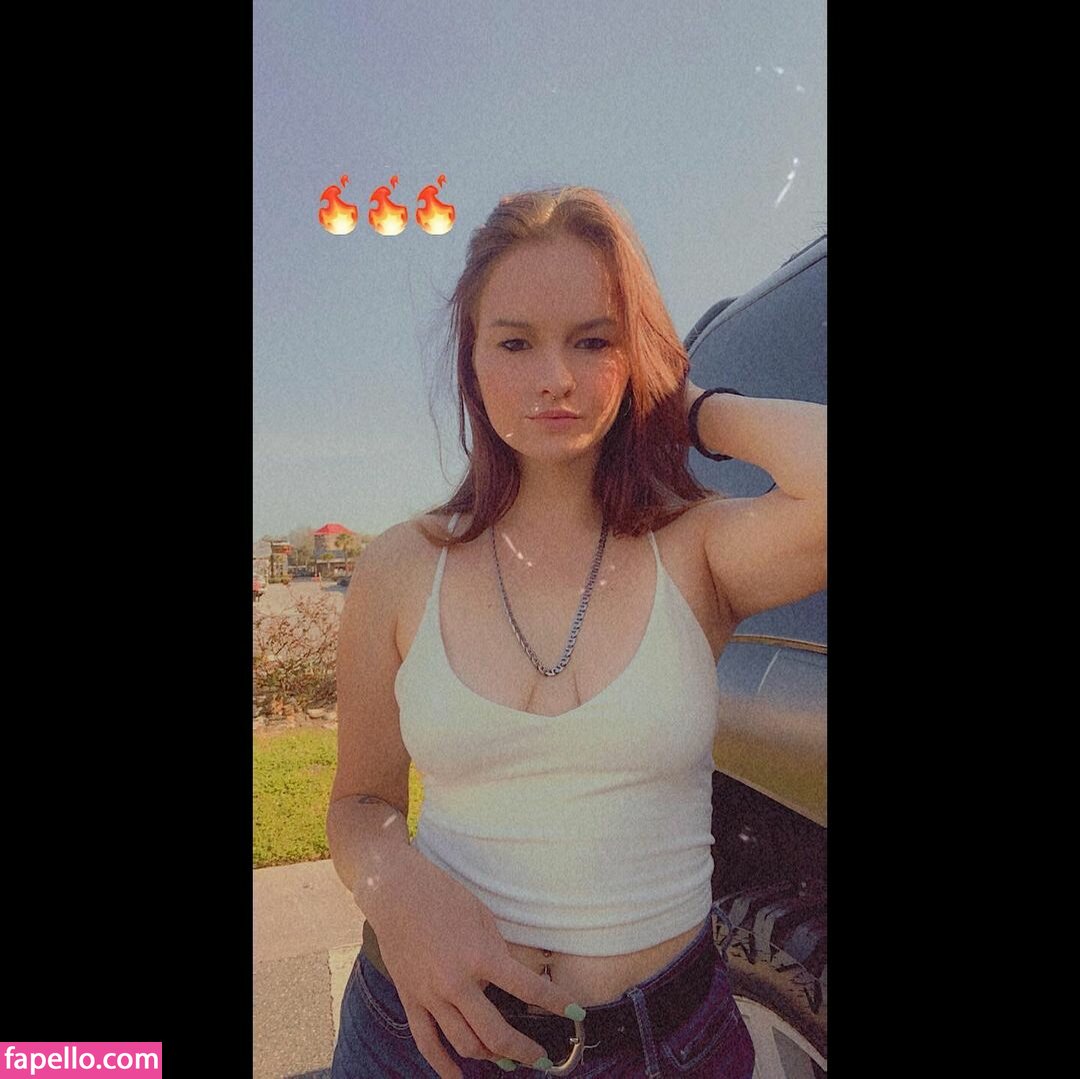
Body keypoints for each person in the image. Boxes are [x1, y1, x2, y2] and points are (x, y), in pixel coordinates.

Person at [326, 186, 826, 1078]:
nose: (554, 375)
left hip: (667, 1045)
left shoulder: (697, 548)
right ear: (471, 360)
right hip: (420, 1036)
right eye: (515, 342)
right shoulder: (400, 566)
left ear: (636, 355)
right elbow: (360, 804)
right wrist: (393, 890)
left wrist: (688, 404)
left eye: (594, 341)